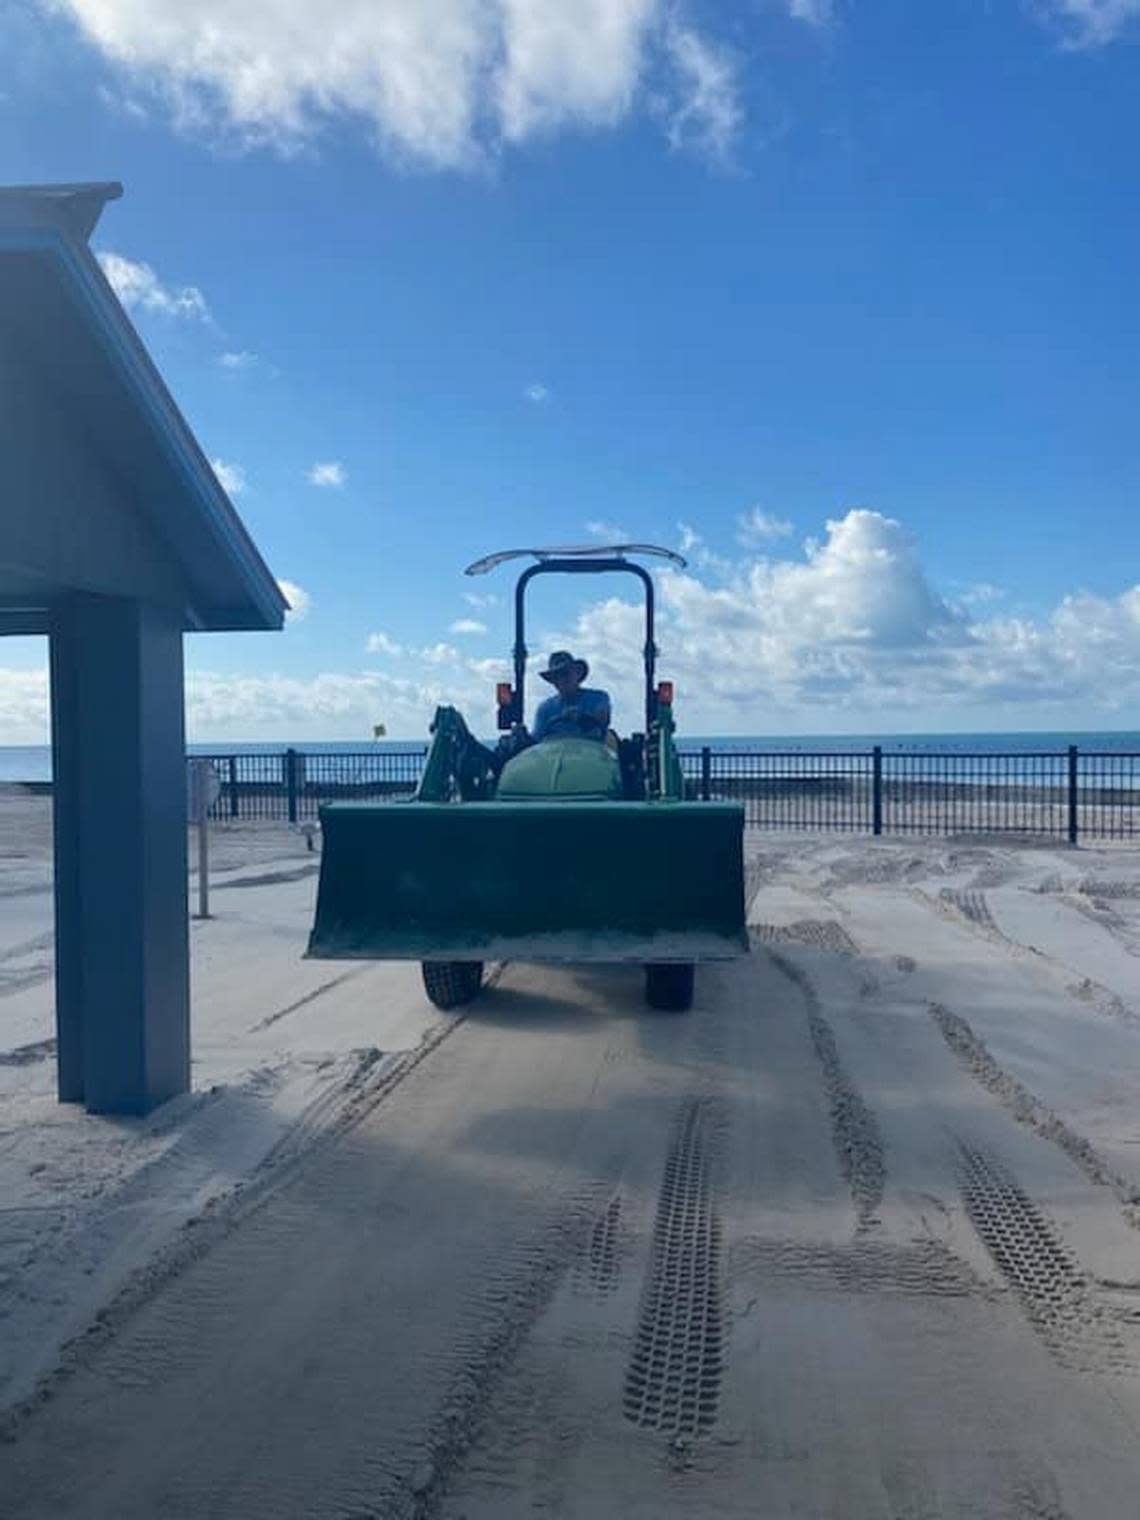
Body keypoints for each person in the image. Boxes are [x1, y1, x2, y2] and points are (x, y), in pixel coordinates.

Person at [532, 651, 611, 742]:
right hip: (555, 754)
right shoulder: (545, 708)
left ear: (577, 674)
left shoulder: (598, 698)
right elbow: (536, 739)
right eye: (556, 676)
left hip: (591, 751)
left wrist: (583, 718)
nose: (561, 680)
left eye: (565, 674)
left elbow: (603, 723)